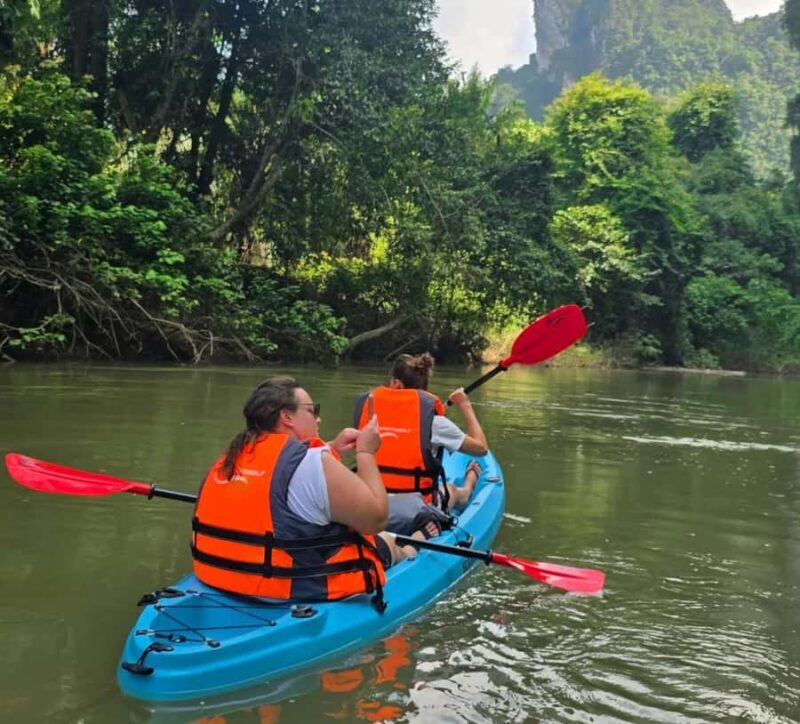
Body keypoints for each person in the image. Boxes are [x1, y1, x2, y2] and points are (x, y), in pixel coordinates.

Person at [192, 376, 414, 612]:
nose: (319, 418)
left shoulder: (232, 455)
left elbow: (285, 475)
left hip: (220, 578)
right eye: (312, 410)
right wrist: (366, 453)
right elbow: (376, 519)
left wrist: (332, 448)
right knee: (386, 540)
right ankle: (415, 551)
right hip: (285, 589)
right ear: (287, 417)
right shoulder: (311, 463)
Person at [354, 353, 488, 521]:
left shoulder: (369, 414)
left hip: (368, 504)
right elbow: (481, 448)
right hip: (416, 511)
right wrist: (465, 404)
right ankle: (467, 489)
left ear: (395, 383)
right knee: (451, 490)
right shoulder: (435, 423)